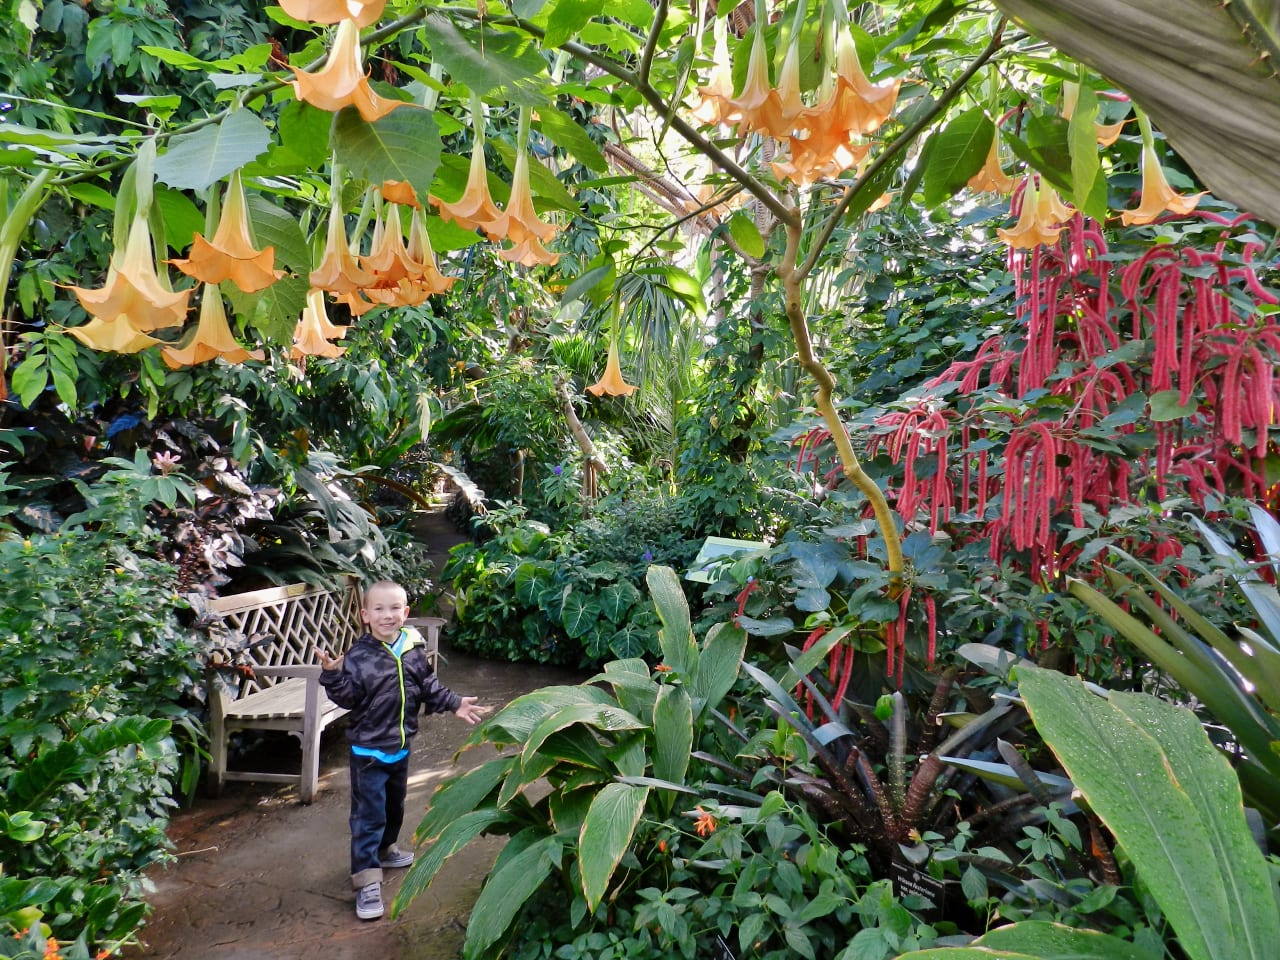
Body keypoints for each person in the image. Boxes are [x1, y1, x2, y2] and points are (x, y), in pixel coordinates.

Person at [316, 580, 487, 921]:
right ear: (365, 615)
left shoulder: (411, 649)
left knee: (393, 808)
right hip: (368, 752)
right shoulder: (359, 657)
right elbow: (347, 698)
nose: (387, 615)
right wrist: (332, 675)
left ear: (405, 613)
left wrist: (454, 703)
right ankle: (367, 880)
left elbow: (428, 686)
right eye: (379, 609)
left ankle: (386, 850)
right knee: (368, 817)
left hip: (400, 747)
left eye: (395, 608)